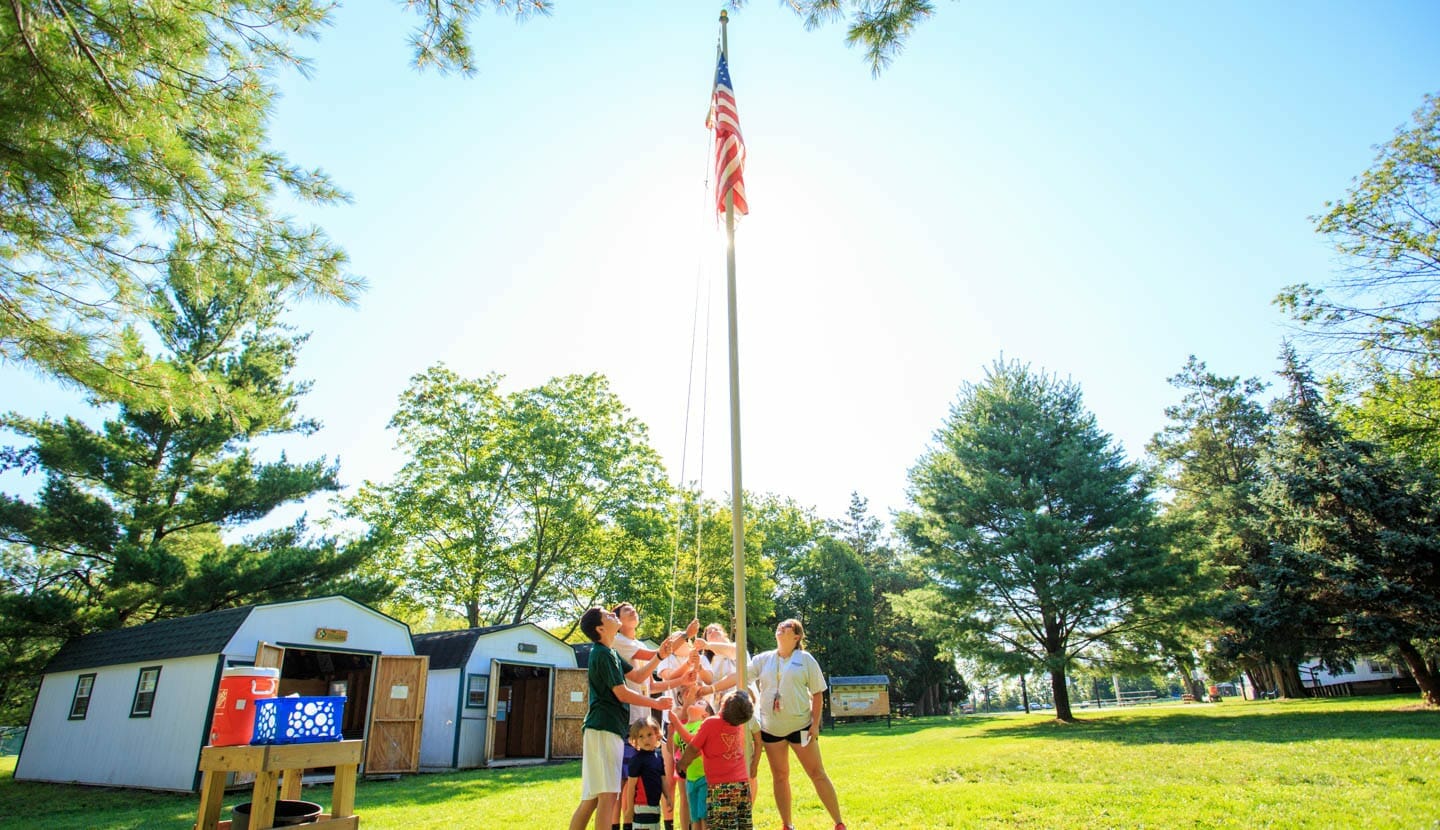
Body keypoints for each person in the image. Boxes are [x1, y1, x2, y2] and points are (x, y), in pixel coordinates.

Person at [568, 607, 677, 830]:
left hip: (606, 730)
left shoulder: (612, 653)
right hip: (603, 729)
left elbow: (637, 676)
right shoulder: (602, 653)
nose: (613, 614)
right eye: (607, 615)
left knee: (591, 799)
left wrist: (659, 656)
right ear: (600, 628)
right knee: (607, 796)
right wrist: (655, 704)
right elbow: (622, 692)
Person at [750, 619, 845, 830]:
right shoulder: (763, 658)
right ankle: (787, 824)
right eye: (779, 626)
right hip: (771, 729)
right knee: (780, 776)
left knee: (817, 773)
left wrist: (814, 723)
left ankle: (838, 822)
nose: (780, 628)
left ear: (796, 636)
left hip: (801, 727)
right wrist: (709, 688)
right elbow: (740, 674)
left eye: (786, 627)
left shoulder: (805, 659)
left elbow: (818, 692)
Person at [613, 604, 698, 830]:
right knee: (624, 783)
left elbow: (650, 684)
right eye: (626, 611)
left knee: (642, 779)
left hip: (643, 721)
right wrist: (685, 635)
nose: (633, 611)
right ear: (618, 621)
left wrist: (682, 681)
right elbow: (655, 654)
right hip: (629, 722)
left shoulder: (637, 643)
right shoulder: (619, 641)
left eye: (633, 609)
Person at [674, 691, 761, 830]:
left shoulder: (711, 723)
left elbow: (693, 748)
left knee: (722, 825)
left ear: (724, 704)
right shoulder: (737, 724)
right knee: (743, 823)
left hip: (720, 787)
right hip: (741, 785)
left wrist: (682, 764)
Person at [628, 720, 668, 830]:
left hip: (655, 805)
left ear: (657, 735)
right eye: (641, 736)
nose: (646, 739)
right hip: (642, 806)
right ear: (635, 740)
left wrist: (668, 797)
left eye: (649, 735)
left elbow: (663, 780)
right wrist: (630, 808)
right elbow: (631, 787)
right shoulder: (636, 760)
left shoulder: (658, 758)